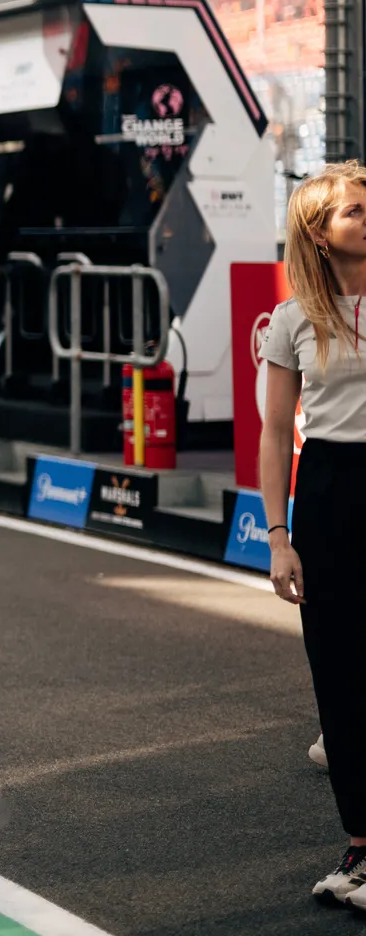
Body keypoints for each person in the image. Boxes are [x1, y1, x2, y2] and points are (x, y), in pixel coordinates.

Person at [260, 160, 366, 906]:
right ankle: (360, 849)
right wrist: (276, 536)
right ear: (319, 235)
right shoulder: (295, 318)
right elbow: (274, 436)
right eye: (355, 211)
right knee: (339, 678)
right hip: (327, 495)